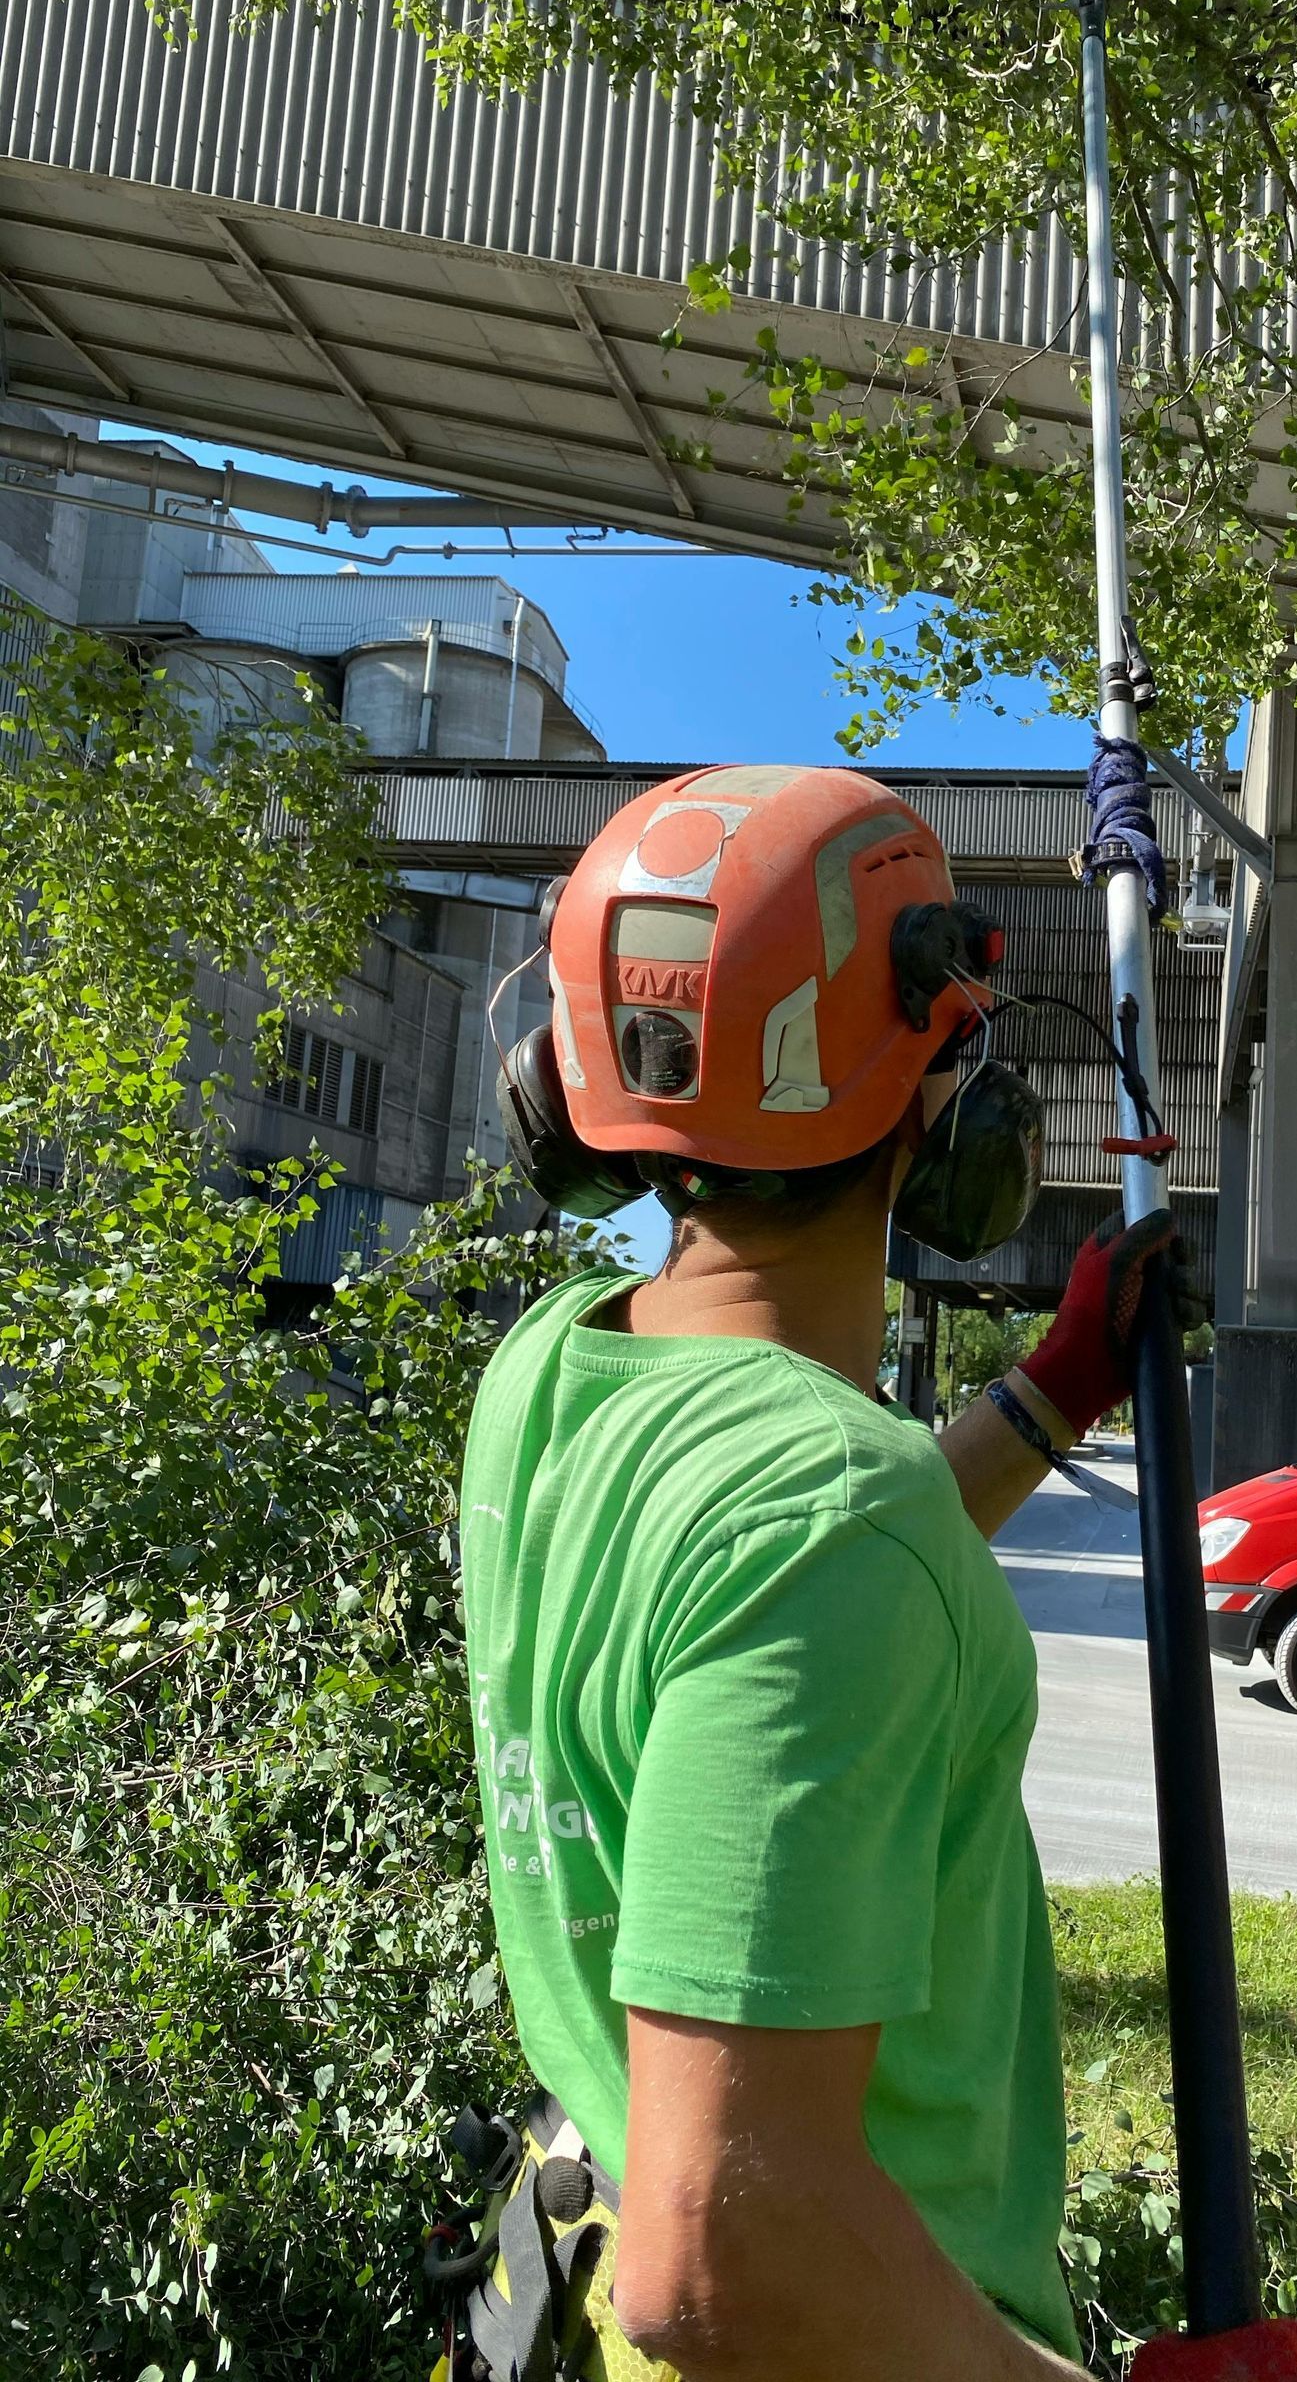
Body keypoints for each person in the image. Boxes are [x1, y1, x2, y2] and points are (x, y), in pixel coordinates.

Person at [453, 763, 1190, 2382]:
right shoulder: (832, 1522)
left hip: (574, 2246)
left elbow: (765, 1585)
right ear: (944, 1105)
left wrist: (1053, 1393)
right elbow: (730, 2254)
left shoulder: (553, 1373)